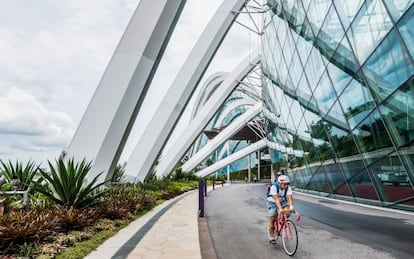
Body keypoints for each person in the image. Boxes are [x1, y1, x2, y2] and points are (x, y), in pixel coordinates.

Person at [266, 175, 294, 244]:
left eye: (287, 184)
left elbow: (289, 197)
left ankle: (282, 221)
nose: (286, 186)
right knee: (272, 219)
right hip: (272, 202)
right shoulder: (274, 187)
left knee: (288, 212)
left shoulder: (287, 188)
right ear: (280, 183)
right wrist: (280, 209)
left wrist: (291, 206)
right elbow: (276, 199)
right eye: (284, 184)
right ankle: (271, 236)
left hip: (282, 201)